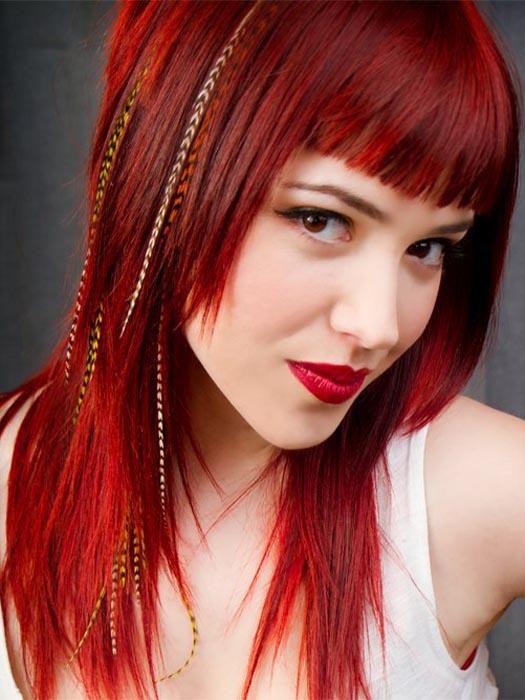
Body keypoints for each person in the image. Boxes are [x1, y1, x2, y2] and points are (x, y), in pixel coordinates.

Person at [0, 1, 524, 698]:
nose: (378, 327)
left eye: (428, 248)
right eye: (320, 219)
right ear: (159, 183)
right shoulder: (10, 475)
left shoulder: (471, 490)